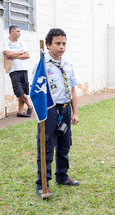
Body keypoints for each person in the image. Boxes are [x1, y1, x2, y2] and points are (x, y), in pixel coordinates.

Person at [35, 28, 79, 197]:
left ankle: (62, 175)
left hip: (65, 109)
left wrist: (75, 112)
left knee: (64, 145)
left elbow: (73, 90)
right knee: (46, 146)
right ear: (48, 45)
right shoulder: (43, 65)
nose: (61, 47)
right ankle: (42, 183)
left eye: (64, 43)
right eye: (57, 43)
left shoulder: (67, 65)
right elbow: (37, 90)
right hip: (49, 110)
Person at [2, 25, 33, 117]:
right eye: (18, 31)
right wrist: (20, 52)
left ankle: (20, 112)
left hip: (23, 69)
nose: (20, 33)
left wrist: (13, 54)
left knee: (23, 90)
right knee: (19, 91)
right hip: (13, 70)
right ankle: (30, 105)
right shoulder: (6, 42)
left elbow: (27, 55)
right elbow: (8, 54)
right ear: (12, 31)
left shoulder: (21, 42)